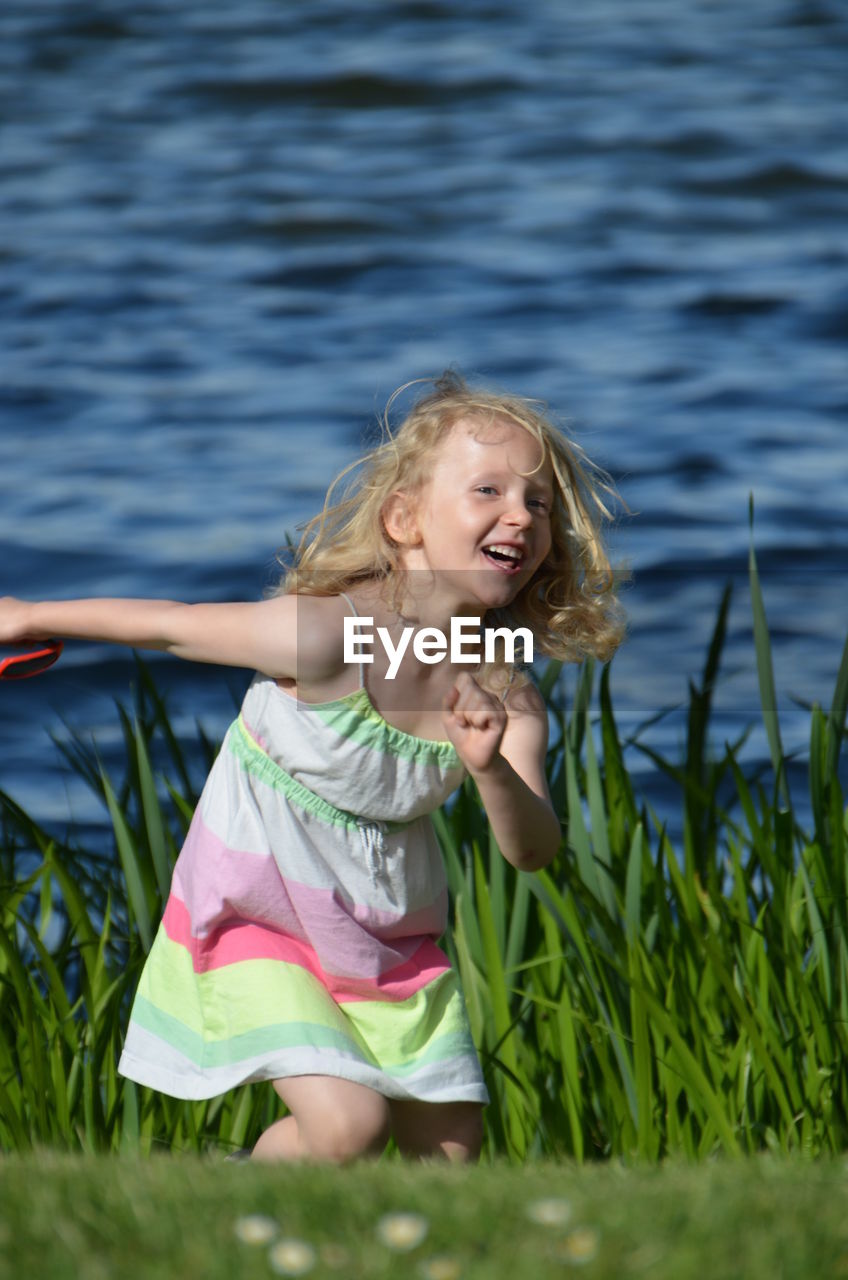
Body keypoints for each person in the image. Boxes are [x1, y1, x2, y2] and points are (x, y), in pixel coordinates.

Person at [0, 371, 623, 1163]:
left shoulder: (506, 692)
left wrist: (490, 769)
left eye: (538, 504)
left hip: (391, 939)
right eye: (489, 490)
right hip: (260, 910)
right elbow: (173, 627)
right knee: (346, 1127)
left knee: (452, 1157)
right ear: (405, 520)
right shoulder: (332, 636)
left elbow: (532, 849)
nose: (519, 515)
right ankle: (215, 1206)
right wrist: (29, 616)